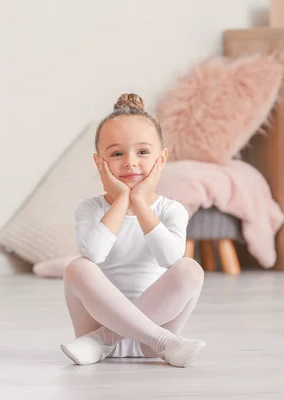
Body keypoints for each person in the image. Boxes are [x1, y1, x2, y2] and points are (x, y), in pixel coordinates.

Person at [59, 93, 205, 368]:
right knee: (77, 267)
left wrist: (139, 202)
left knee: (190, 268)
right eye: (116, 154)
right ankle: (164, 341)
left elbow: (169, 259)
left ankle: (108, 338)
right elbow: (95, 253)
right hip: (102, 325)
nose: (130, 162)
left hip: (132, 343)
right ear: (99, 162)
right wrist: (123, 199)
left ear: (161, 160)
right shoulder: (89, 209)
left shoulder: (171, 210)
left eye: (142, 152)